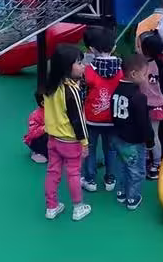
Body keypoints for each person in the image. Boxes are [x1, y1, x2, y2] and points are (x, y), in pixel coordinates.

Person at [43, 44, 91, 221]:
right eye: (79, 63)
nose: (83, 66)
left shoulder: (49, 85)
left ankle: (51, 207)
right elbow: (78, 120)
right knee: (73, 173)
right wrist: (84, 143)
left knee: (52, 172)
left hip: (53, 138)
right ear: (66, 66)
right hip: (70, 141)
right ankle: (78, 207)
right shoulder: (71, 91)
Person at [110, 54, 154, 210]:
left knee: (122, 166)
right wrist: (150, 140)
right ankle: (132, 198)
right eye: (145, 74)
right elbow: (144, 123)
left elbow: (113, 115)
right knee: (136, 171)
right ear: (134, 74)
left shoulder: (116, 91)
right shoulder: (139, 97)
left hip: (118, 137)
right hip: (133, 141)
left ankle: (122, 192)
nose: (146, 78)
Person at [81, 27, 123, 192]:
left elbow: (82, 93)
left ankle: (90, 180)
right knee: (111, 149)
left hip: (91, 118)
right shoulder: (121, 69)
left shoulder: (88, 70)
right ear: (114, 47)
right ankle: (110, 178)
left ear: (91, 49)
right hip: (113, 118)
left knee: (90, 148)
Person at [139, 31, 163, 180]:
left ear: (145, 49)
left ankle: (154, 163)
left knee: (149, 134)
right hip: (153, 104)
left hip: (148, 105)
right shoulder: (161, 64)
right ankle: (152, 163)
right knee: (151, 134)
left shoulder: (143, 65)